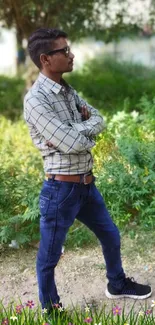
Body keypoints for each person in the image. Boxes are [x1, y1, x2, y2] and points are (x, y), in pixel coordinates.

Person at [24, 28, 152, 312]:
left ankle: (116, 284)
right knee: (49, 256)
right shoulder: (36, 101)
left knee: (110, 235)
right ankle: (50, 308)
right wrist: (77, 134)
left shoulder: (68, 91)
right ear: (45, 58)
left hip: (86, 186)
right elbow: (71, 143)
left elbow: (99, 119)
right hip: (60, 190)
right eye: (64, 51)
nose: (72, 55)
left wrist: (73, 132)